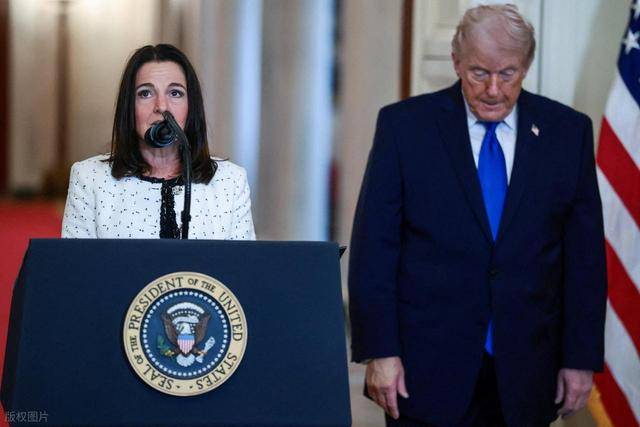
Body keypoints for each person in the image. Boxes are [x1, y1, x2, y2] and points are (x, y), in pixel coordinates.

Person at [348, 4, 606, 427]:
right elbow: (374, 249)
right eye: (478, 73)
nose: (493, 89)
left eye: (508, 74)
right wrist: (380, 351)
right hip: (425, 371)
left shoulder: (567, 133)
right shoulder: (405, 128)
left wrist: (580, 358)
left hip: (528, 372)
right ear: (456, 62)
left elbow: (584, 260)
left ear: (526, 66)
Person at [62, 44, 255, 240]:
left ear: (192, 106)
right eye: (145, 93)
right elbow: (77, 260)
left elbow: (242, 260)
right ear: (129, 106)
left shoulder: (231, 181)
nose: (161, 106)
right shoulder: (89, 178)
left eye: (175, 93)